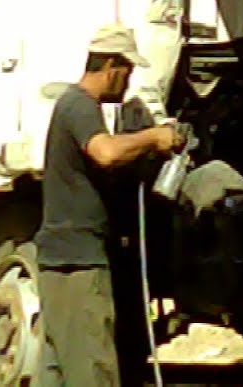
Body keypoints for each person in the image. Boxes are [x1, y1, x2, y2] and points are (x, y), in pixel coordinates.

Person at [35, 23, 183, 386]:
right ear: (112, 66)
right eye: (127, 73)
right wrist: (153, 137)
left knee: (57, 372)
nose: (128, 83)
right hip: (80, 264)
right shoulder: (81, 105)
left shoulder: (72, 106)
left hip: (59, 262)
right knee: (93, 371)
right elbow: (105, 153)